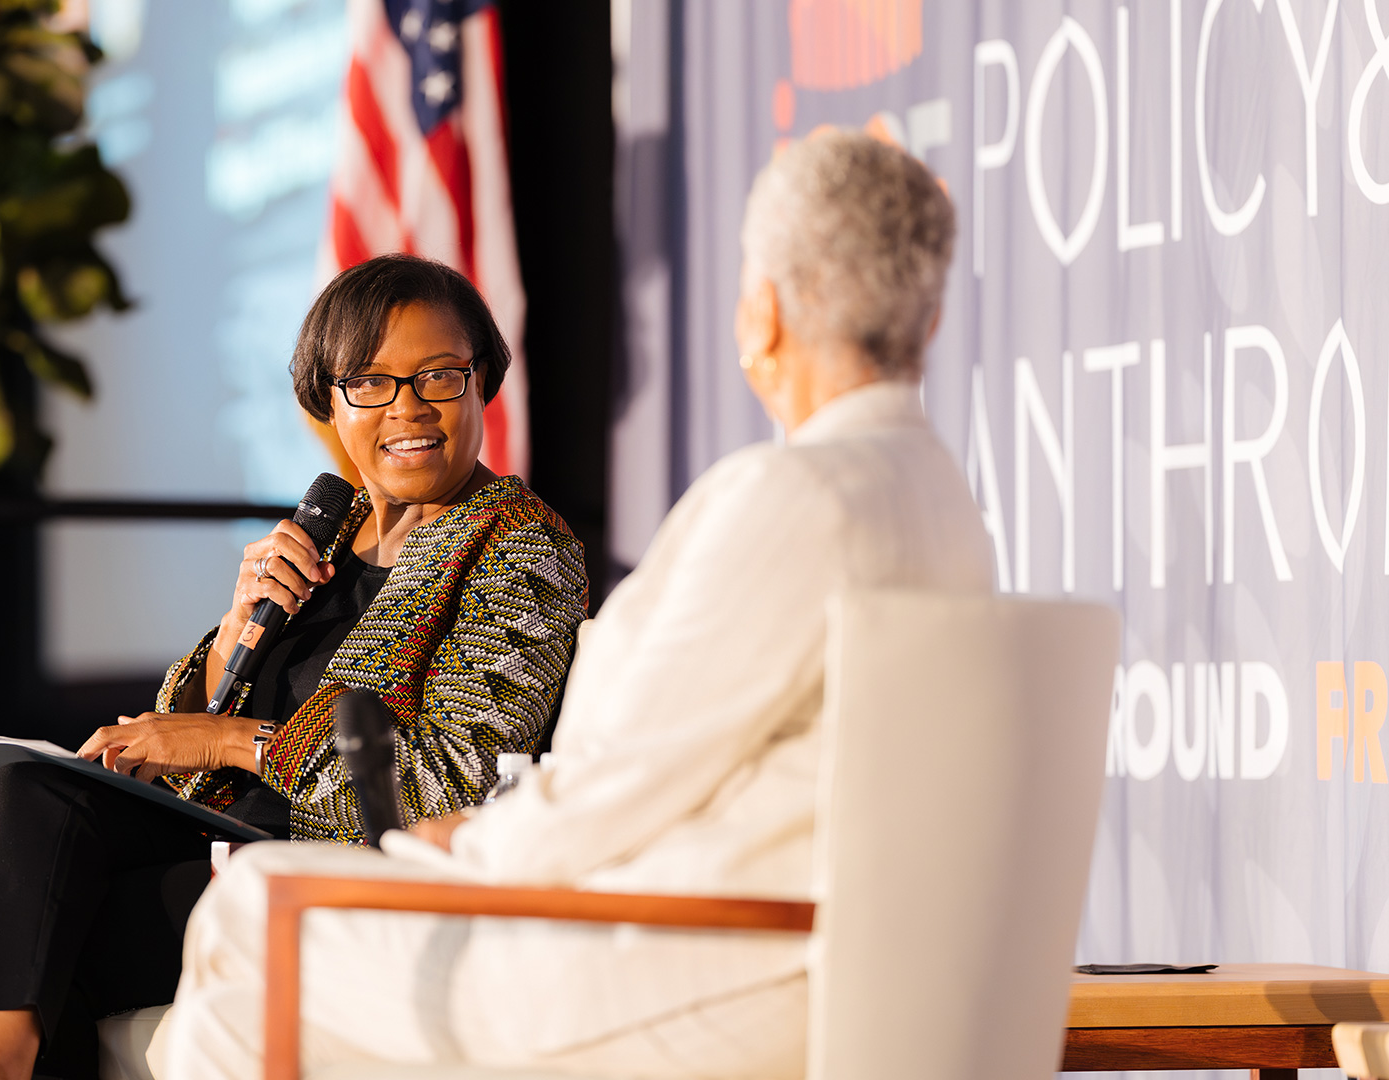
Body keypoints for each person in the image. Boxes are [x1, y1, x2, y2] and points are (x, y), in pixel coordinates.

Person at [150, 130, 996, 1080]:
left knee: (253, 913)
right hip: (815, 949)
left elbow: (621, 787)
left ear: (759, 315)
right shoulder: (943, 501)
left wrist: (449, 846)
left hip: (707, 962)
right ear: (927, 320)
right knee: (266, 900)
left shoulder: (790, 498)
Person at [0, 254, 588, 1079]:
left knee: (44, 940)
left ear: (483, 380)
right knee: (31, 791)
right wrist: (230, 637)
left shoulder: (520, 549)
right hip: (215, 842)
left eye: (439, 377)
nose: (409, 409)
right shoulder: (327, 530)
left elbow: (450, 784)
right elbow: (184, 727)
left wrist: (232, 743)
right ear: (328, 400)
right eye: (372, 383)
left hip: (334, 869)